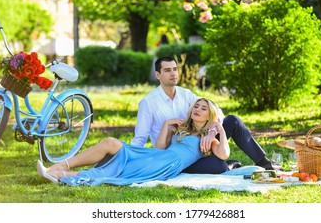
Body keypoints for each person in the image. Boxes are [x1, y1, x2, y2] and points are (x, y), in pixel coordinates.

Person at [37, 98, 230, 186]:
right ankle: (60, 165)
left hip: (166, 165)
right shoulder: (181, 128)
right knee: (111, 142)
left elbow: (223, 155)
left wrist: (219, 129)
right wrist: (166, 125)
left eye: (203, 108)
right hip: (158, 155)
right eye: (196, 106)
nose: (197, 109)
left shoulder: (207, 138)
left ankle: (62, 175)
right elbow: (160, 147)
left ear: (209, 115)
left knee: (117, 171)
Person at [131, 56, 273, 173]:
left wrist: (212, 131)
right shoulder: (148, 103)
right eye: (167, 70)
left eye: (175, 69)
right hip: (178, 154)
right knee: (219, 166)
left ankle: (265, 163)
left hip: (203, 142)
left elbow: (213, 109)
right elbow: (140, 138)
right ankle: (227, 165)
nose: (173, 74)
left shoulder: (185, 94)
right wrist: (133, 163)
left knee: (233, 120)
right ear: (158, 75)